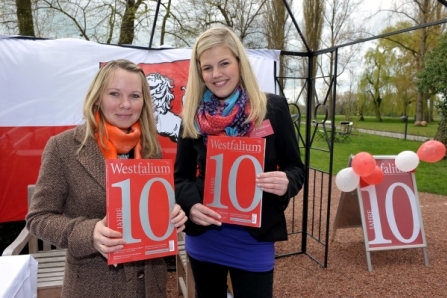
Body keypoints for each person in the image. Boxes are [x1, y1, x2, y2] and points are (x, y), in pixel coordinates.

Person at [26, 59, 187, 298]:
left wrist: (171, 213)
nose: (125, 104)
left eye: (134, 95)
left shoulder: (150, 147)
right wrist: (89, 232)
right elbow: (38, 218)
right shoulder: (63, 147)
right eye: (114, 94)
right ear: (98, 97)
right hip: (93, 286)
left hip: (149, 287)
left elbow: (150, 208)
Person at [174, 27, 306, 298]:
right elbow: (180, 177)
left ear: (239, 63)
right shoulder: (192, 117)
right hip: (205, 236)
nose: (216, 74)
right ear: (199, 72)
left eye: (224, 63)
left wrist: (287, 182)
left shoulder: (273, 109)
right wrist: (191, 205)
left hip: (254, 238)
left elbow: (296, 167)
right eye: (207, 67)